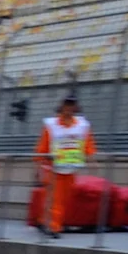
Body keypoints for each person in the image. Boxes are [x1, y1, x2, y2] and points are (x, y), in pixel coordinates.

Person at [35, 95, 94, 237]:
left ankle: (44, 221)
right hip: (53, 168)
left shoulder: (82, 125)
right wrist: (39, 163)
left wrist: (91, 157)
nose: (68, 109)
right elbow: (43, 146)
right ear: (61, 107)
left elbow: (87, 144)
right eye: (66, 105)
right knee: (55, 198)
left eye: (71, 105)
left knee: (62, 198)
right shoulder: (51, 125)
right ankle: (54, 227)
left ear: (75, 108)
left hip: (70, 168)